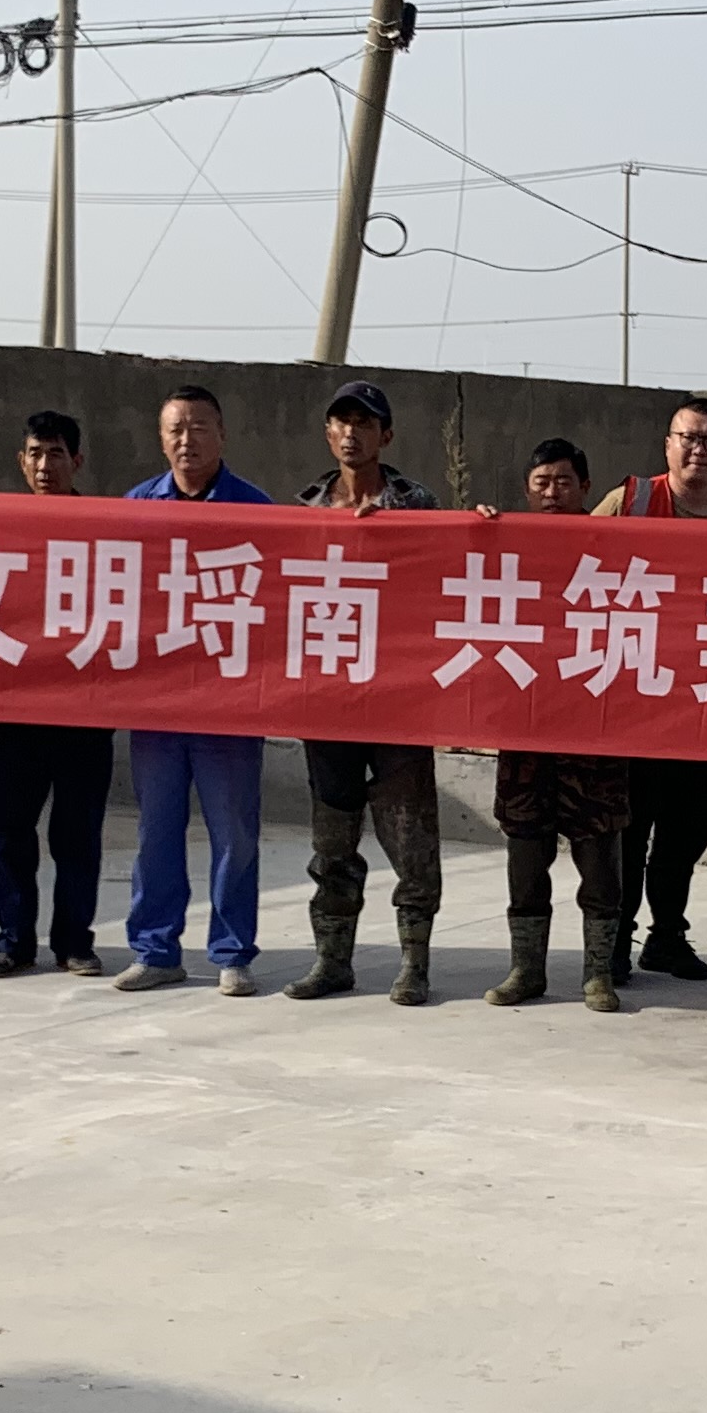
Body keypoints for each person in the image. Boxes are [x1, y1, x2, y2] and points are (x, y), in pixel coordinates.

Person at [287, 377, 447, 1003]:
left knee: (411, 839)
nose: (351, 433)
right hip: (329, 699)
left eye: (364, 423)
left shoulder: (417, 504)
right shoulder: (304, 510)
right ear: (328, 434)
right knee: (332, 841)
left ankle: (415, 963)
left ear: (386, 435)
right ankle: (333, 960)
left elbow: (449, 571)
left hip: (398, 699)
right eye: (341, 422)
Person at [115, 384, 275, 994]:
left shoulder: (256, 509)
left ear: (222, 435)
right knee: (156, 830)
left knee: (234, 833)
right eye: (176, 429)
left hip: (228, 703)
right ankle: (156, 950)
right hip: (158, 702)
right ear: (161, 440)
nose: (187, 440)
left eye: (199, 427)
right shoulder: (136, 507)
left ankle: (232, 954)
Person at [487, 438, 634, 1013]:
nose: (552, 492)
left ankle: (598, 973)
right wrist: (475, 528)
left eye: (564, 482)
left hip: (592, 727)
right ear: (527, 488)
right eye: (541, 482)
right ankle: (526, 970)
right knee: (526, 855)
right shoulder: (507, 544)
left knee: (599, 859)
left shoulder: (611, 548)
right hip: (525, 729)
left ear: (585, 488)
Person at [597, 394, 707, 982]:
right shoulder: (630, 501)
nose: (699, 449)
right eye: (689, 437)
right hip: (633, 697)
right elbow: (566, 560)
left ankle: (667, 935)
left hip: (701, 703)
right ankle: (614, 938)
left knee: (690, 824)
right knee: (631, 826)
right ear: (668, 444)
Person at [0, 409, 115, 979]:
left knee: (76, 835)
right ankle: (13, 941)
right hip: (10, 708)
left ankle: (74, 942)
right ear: (20, 461)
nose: (44, 465)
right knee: (11, 834)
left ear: (76, 461)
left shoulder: (106, 532)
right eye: (34, 454)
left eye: (56, 454)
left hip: (82, 708)